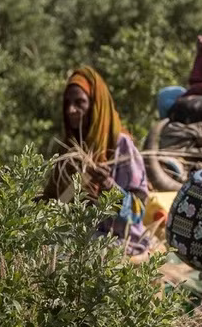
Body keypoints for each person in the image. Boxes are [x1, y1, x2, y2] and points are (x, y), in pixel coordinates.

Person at [43, 66, 152, 256]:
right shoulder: (70, 147)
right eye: (67, 103)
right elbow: (55, 199)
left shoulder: (120, 145)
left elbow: (137, 212)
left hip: (119, 240)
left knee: (61, 255)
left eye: (80, 102)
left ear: (95, 104)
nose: (71, 110)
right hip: (82, 236)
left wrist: (109, 185)